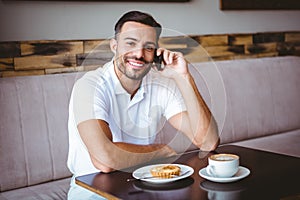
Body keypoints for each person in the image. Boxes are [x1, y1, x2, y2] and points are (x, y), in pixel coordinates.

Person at [67, 10, 219, 199]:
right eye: (130, 43)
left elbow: (208, 141)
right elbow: (104, 159)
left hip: (145, 187)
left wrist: (183, 77)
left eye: (148, 47)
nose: (139, 54)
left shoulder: (161, 84)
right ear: (114, 46)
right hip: (92, 192)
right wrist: (161, 151)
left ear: (155, 52)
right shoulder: (88, 85)